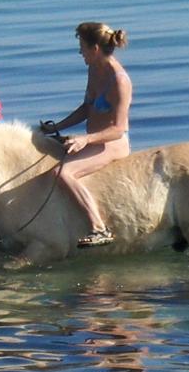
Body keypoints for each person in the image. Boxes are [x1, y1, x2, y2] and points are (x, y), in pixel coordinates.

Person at [40, 22, 133, 248]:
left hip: (113, 144)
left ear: (95, 49)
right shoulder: (94, 69)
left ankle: (99, 228)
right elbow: (86, 108)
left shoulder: (119, 81)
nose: (80, 52)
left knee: (62, 174)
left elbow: (118, 128)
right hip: (94, 140)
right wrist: (56, 127)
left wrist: (85, 139)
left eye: (82, 47)